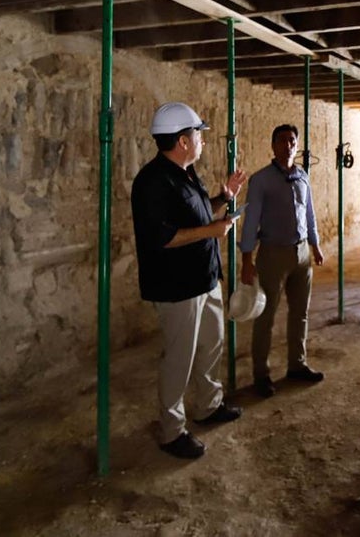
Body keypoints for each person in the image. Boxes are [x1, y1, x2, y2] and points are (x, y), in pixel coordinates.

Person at [131, 102, 248, 460]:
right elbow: (162, 237)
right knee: (179, 359)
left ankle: (209, 406)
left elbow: (196, 214)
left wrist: (224, 198)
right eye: (198, 134)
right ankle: (172, 431)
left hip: (205, 277)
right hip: (177, 287)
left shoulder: (186, 172)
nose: (202, 140)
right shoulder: (152, 182)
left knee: (212, 344)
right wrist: (213, 231)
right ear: (183, 141)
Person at [240, 124, 326, 398]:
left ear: (297, 145)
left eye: (292, 140)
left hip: (301, 253)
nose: (287, 145)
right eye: (281, 140)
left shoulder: (302, 176)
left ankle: (297, 365)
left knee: (300, 312)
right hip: (273, 254)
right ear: (273, 145)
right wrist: (247, 259)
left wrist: (315, 245)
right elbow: (251, 221)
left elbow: (309, 213)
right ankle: (261, 375)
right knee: (265, 315)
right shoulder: (261, 180)